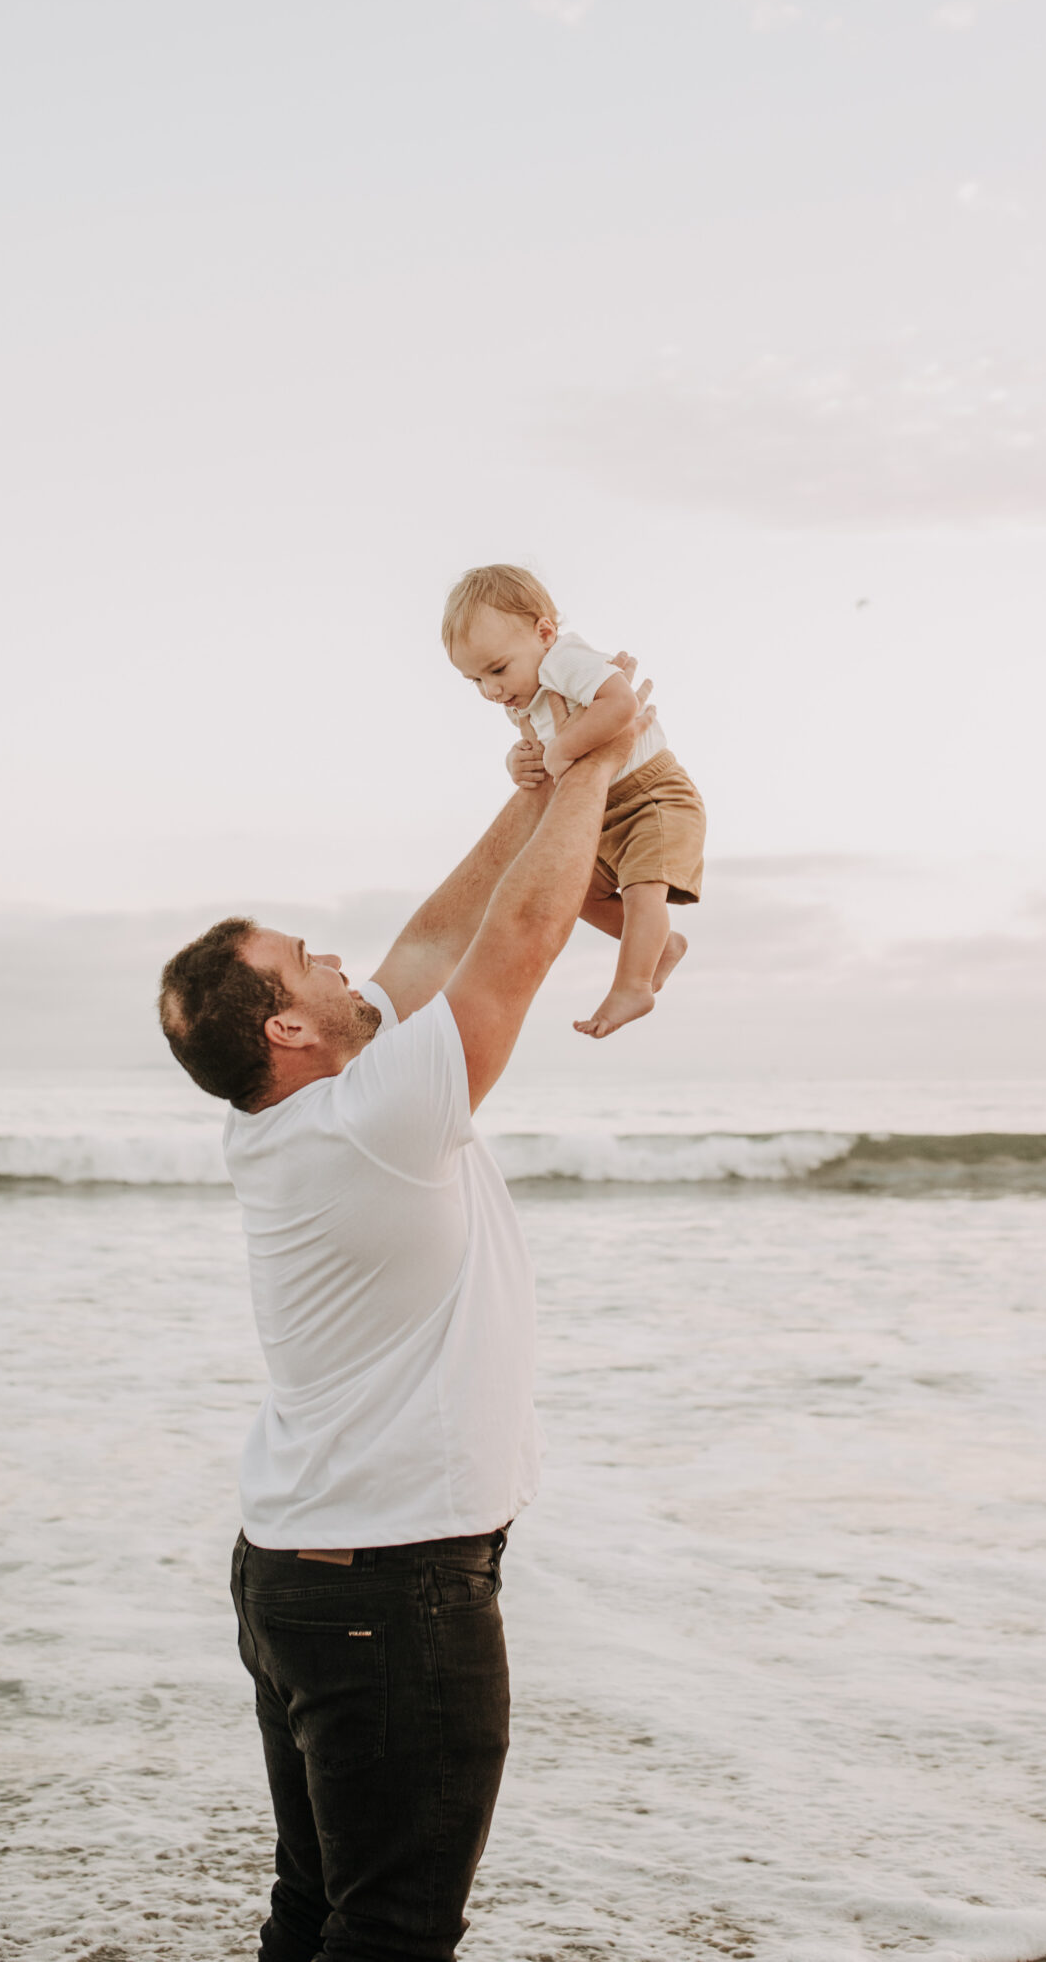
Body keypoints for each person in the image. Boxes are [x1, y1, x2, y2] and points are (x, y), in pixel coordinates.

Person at [156, 668, 653, 1962]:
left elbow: (434, 946)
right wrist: (599, 764)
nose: (335, 956)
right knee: (391, 1928)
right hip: (390, 1584)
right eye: (301, 960)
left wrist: (542, 784)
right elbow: (509, 954)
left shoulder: (315, 1105)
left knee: (321, 1906)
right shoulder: (370, 1122)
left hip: (306, 1573)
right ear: (284, 1026)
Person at [441, 563, 706, 1038]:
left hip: (652, 797)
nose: (492, 690)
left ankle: (634, 984)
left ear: (544, 632)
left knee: (647, 888)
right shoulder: (523, 694)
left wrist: (562, 749)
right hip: (601, 811)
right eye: (475, 680)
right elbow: (542, 751)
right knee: (576, 892)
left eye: (498, 669)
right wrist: (519, 760)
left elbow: (621, 704)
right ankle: (658, 947)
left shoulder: (564, 659)